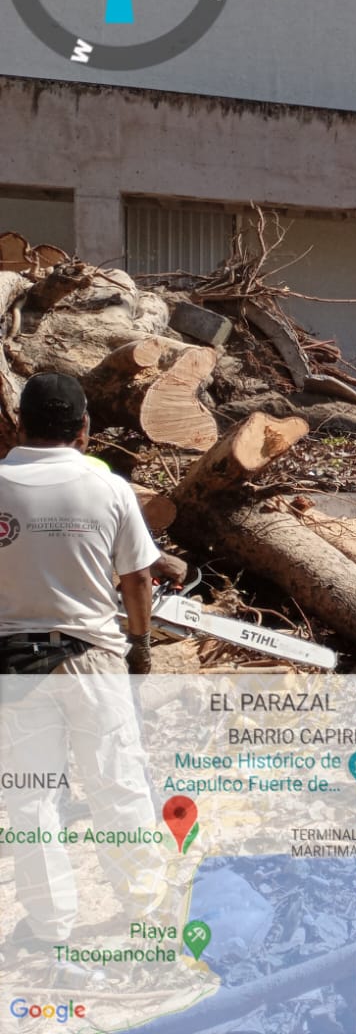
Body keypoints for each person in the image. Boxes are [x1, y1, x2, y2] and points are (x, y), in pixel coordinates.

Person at [0, 373, 166, 953]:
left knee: (30, 796)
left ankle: (50, 928)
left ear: (19, 424)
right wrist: (140, 644)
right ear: (85, 429)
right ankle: (144, 907)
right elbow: (138, 578)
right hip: (94, 659)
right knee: (116, 781)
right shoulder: (109, 488)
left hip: (13, 664)